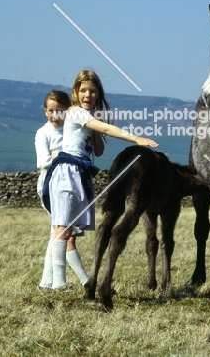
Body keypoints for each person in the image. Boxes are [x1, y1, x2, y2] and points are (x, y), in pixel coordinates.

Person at [42, 70, 158, 290]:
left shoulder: (88, 117)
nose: (88, 95)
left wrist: (94, 125)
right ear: (75, 92)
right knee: (63, 229)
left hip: (79, 173)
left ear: (98, 94)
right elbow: (106, 128)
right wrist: (135, 138)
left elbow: (99, 149)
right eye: (83, 90)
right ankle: (57, 283)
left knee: (66, 230)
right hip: (68, 171)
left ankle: (51, 282)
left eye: (93, 91)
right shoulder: (75, 112)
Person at [35, 90, 89, 289]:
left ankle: (47, 282)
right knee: (61, 231)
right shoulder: (43, 133)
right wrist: (62, 155)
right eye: (51, 111)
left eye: (59, 111)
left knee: (58, 232)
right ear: (45, 111)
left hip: (69, 182)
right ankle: (59, 283)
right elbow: (42, 161)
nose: (55, 116)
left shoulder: (70, 129)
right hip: (50, 184)